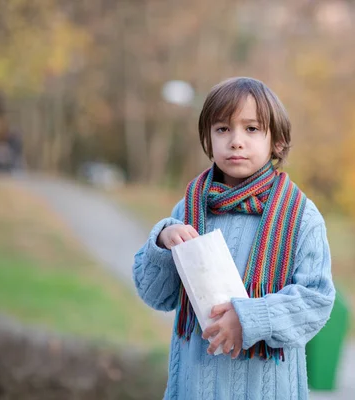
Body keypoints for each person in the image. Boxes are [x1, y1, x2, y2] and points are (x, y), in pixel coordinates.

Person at [132, 77, 335, 400]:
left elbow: (316, 302)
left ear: (277, 142)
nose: (236, 141)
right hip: (193, 387)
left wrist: (248, 320)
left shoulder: (300, 217)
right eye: (223, 129)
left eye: (251, 129)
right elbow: (157, 296)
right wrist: (162, 244)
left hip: (265, 389)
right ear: (208, 139)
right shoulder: (189, 208)